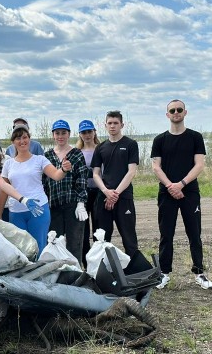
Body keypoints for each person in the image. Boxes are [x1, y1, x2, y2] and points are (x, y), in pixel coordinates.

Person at [151, 99, 209, 289]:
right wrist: (171, 186)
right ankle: (164, 274)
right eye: (172, 110)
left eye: (179, 110)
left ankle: (200, 273)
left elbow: (199, 164)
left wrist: (182, 184)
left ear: (185, 112)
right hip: (167, 193)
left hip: (190, 192)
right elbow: (156, 167)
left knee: (194, 233)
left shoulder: (195, 137)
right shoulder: (159, 140)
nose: (176, 113)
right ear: (167, 115)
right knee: (166, 234)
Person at [0, 124, 71, 254]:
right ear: (13, 142)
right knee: (20, 249)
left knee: (39, 246)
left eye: (25, 137)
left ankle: (40, 273)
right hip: (16, 211)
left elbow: (56, 175)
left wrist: (64, 169)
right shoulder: (8, 164)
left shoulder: (40, 160)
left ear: (29, 139)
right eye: (18, 138)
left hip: (38, 210)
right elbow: (4, 189)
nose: (22, 141)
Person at [91, 110, 140, 262]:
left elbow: (131, 172)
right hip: (104, 198)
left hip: (123, 197)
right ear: (105, 125)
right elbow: (95, 174)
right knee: (101, 238)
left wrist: (116, 193)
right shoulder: (100, 147)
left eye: (115, 123)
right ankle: (102, 270)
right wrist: (106, 192)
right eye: (110, 123)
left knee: (129, 238)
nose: (112, 126)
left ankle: (133, 272)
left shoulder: (130, 144)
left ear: (122, 125)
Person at [43, 119, 89, 263]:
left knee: (75, 242)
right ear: (53, 135)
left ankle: (75, 272)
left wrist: (81, 202)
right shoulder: (47, 156)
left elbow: (82, 179)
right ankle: (59, 273)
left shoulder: (76, 154)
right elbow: (44, 182)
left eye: (63, 133)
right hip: (54, 204)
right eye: (57, 133)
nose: (60, 136)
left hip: (73, 204)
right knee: (55, 240)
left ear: (69, 134)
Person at [76, 119, 100, 265]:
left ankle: (99, 260)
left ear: (94, 132)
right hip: (83, 193)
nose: (87, 135)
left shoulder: (101, 148)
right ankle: (86, 262)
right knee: (83, 230)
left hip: (98, 192)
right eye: (84, 132)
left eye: (89, 131)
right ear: (80, 134)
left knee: (98, 227)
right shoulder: (77, 152)